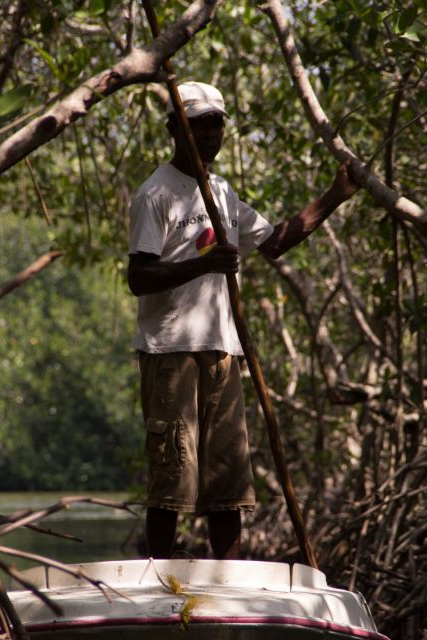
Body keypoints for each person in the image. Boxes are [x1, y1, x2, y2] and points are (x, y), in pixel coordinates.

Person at [127, 81, 358, 560]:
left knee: (228, 477)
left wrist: (336, 195)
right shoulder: (156, 193)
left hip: (224, 352)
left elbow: (274, 241)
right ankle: (160, 578)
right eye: (199, 124)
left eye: (217, 122)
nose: (210, 132)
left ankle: (226, 578)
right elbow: (139, 276)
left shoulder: (223, 193)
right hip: (171, 352)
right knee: (172, 476)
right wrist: (204, 263)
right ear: (175, 129)